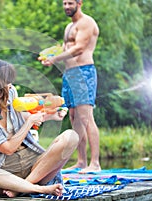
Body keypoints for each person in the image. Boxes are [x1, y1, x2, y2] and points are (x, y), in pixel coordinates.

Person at [0, 57, 79, 198]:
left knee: (71, 136)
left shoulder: (10, 92)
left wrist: (50, 115)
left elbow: (18, 116)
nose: (10, 85)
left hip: (34, 167)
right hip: (4, 173)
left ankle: (22, 188)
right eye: (6, 82)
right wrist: (30, 122)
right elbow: (7, 148)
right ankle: (38, 189)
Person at [40, 0, 101, 173]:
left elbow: (79, 48)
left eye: (70, 3)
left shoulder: (87, 22)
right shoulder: (69, 27)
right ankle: (81, 161)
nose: (66, 6)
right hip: (69, 74)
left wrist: (55, 59)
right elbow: (65, 48)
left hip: (84, 72)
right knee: (73, 117)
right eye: (64, 3)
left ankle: (95, 163)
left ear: (79, 3)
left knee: (86, 117)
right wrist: (50, 55)